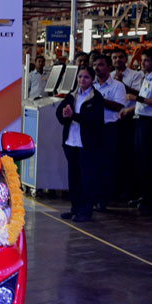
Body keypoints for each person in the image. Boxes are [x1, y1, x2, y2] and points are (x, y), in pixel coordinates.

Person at [121, 48, 152, 212]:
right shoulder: (147, 78)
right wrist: (130, 109)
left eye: (146, 60)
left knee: (150, 161)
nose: (142, 63)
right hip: (140, 121)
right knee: (140, 160)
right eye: (142, 60)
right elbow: (143, 103)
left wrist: (137, 98)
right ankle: (144, 194)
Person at [56, 67, 104, 222]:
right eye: (80, 77)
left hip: (87, 143)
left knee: (86, 177)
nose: (82, 80)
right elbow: (60, 113)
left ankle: (86, 210)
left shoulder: (95, 98)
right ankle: (75, 207)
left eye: (86, 77)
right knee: (74, 177)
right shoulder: (72, 95)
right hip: (71, 141)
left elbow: (94, 120)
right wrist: (64, 115)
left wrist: (74, 116)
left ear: (92, 80)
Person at [92, 54, 126, 211]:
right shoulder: (91, 85)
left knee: (106, 165)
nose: (97, 68)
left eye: (100, 65)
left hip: (109, 128)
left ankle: (103, 199)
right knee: (93, 164)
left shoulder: (117, 86)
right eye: (95, 65)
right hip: (92, 129)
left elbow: (119, 106)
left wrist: (99, 100)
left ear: (108, 67)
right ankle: (93, 196)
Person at [110, 48, 143, 202]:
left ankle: (129, 191)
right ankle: (115, 189)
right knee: (115, 156)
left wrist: (121, 83)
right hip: (113, 120)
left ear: (126, 58)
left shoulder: (136, 75)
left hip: (130, 119)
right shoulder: (109, 76)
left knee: (129, 157)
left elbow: (139, 95)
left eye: (121, 57)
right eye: (115, 57)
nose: (118, 60)